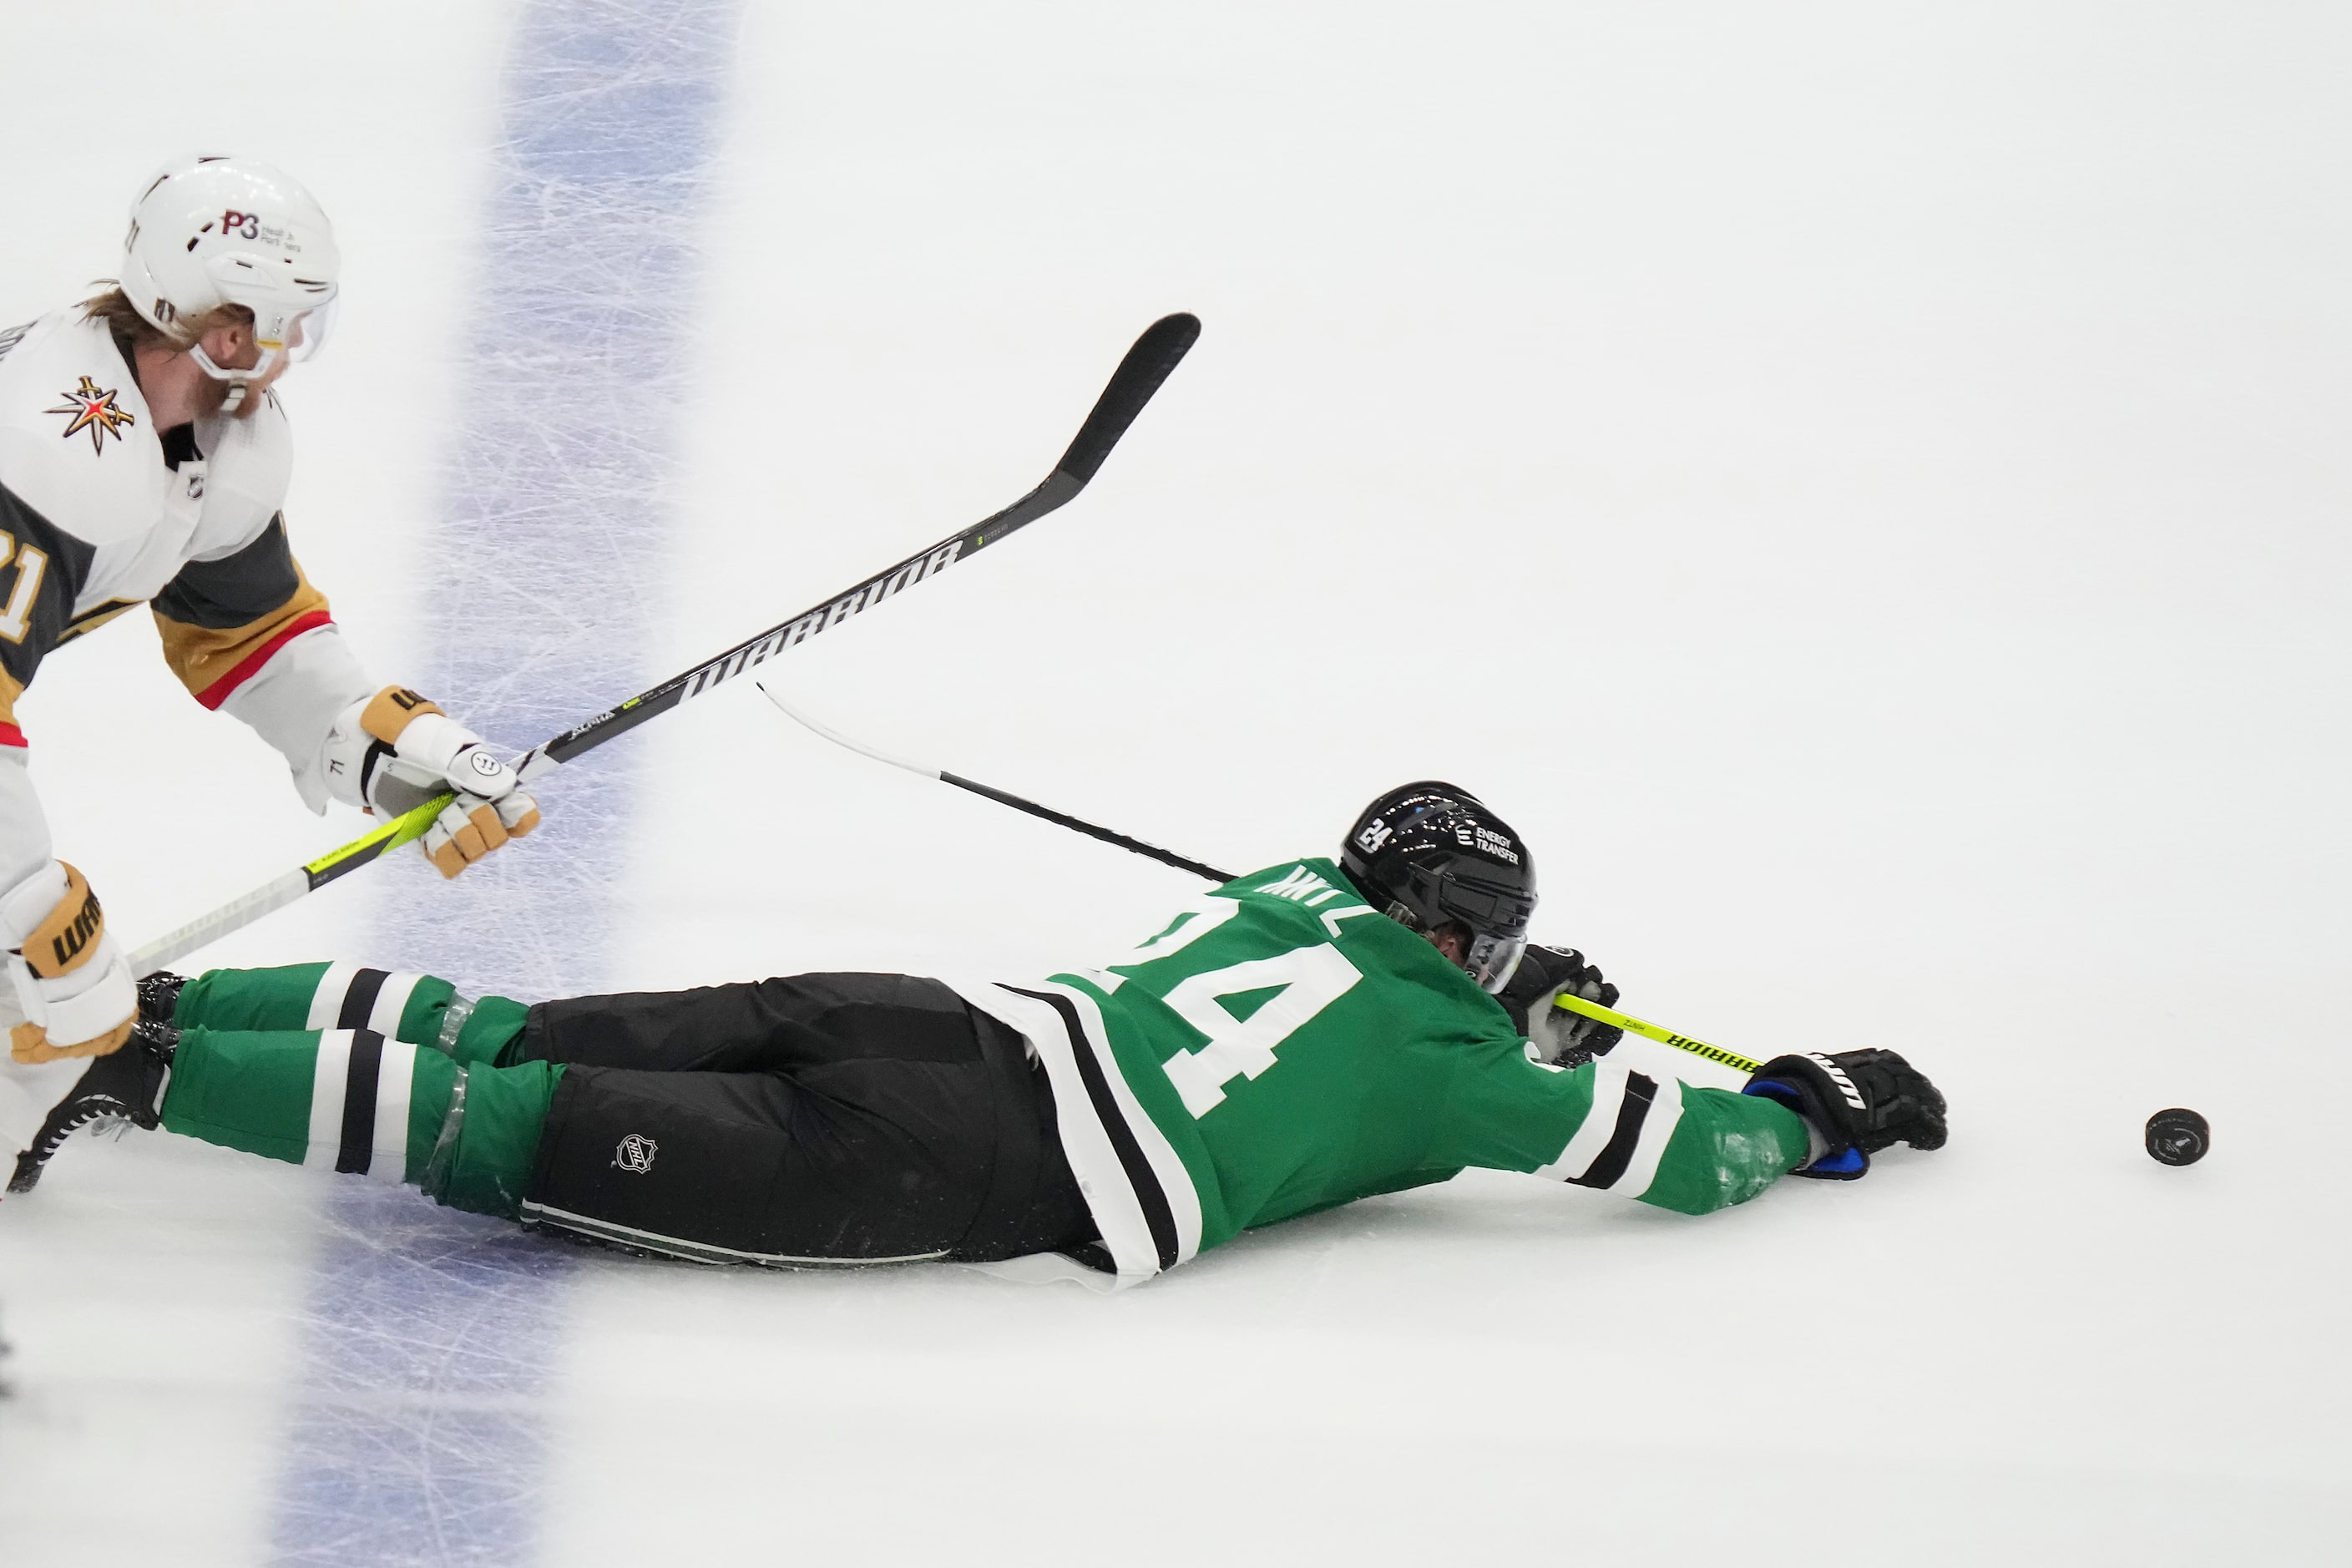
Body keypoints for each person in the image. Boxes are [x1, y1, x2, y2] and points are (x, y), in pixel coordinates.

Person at [3, 782, 1947, 1286]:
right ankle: (118, 1066)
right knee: (511, 1128)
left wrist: (1499, 985)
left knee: (501, 1025)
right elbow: (1659, 1152)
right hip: (981, 1162)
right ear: (1453, 935)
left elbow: (1367, 967)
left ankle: (136, 1001)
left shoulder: (1285, 886)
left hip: (933, 1019)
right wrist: (1792, 1112)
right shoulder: (1454, 1073)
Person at [0, 156, 544, 1066]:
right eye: (276, 323)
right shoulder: (46, 449)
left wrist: (372, 741)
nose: (292, 349)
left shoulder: (209, 436)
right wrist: (24, 908)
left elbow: (244, 631)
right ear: (218, 325)